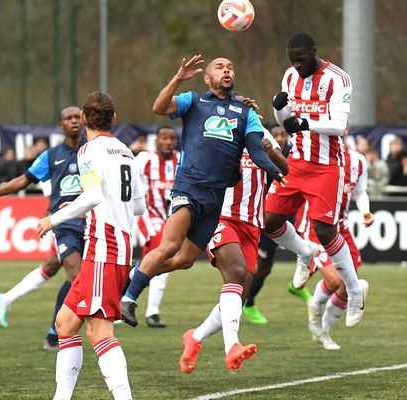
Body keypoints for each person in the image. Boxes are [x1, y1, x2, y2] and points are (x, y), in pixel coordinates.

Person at [119, 52, 285, 356]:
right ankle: (129, 298)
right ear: (207, 78)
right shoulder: (194, 101)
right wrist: (177, 80)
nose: (227, 70)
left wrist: (275, 169)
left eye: (230, 66)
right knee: (169, 246)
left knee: (183, 260)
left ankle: (133, 273)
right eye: (219, 67)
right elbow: (159, 107)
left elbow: (256, 149)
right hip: (189, 188)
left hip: (215, 198)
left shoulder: (243, 111)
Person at [36, 91, 145, 400]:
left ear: (83, 118)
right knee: (65, 323)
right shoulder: (126, 151)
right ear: (114, 119)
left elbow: (93, 196)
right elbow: (139, 205)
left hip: (104, 246)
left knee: (99, 331)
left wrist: (53, 219)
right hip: (114, 245)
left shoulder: (88, 151)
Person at [265, 32, 365, 328]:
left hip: (325, 166)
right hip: (295, 162)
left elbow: (338, 125)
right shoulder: (289, 76)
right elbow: (287, 122)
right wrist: (278, 107)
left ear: (315, 52)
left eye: (301, 60)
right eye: (292, 61)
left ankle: (355, 290)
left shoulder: (338, 79)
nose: (297, 66)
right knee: (268, 221)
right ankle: (304, 252)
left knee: (324, 229)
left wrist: (305, 122)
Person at [179, 127, 288, 374]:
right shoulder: (216, 131)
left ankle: (195, 337)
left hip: (251, 223)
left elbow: (284, 167)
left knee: (237, 297)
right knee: (236, 273)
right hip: (221, 215)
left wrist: (270, 150)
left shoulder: (262, 135)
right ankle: (232, 346)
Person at [0, 105, 85, 352]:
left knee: (66, 271)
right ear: (61, 126)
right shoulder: (51, 156)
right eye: (68, 118)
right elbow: (23, 180)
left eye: (77, 117)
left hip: (93, 224)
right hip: (66, 225)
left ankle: (14, 304)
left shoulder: (93, 150)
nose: (73, 122)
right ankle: (55, 333)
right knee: (75, 275)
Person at [302, 142, 373, 350]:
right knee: (333, 279)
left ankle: (323, 331)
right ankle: (314, 305)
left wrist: (366, 212)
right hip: (316, 227)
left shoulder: (358, 161)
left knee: (346, 284)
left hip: (341, 228)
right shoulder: (318, 157)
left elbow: (360, 192)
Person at [241, 124, 312, 325]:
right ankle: (248, 303)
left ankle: (297, 286)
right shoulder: (260, 153)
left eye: (283, 135)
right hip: (265, 213)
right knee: (263, 266)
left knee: (310, 249)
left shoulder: (294, 153)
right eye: (276, 135)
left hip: (290, 212)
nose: (280, 138)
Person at [135, 126, 180, 328]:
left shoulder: (183, 160)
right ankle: (152, 311)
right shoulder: (145, 160)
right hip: (149, 214)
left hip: (173, 217)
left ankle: (121, 297)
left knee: (150, 264)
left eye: (172, 138)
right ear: (157, 141)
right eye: (164, 138)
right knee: (164, 249)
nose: (168, 142)